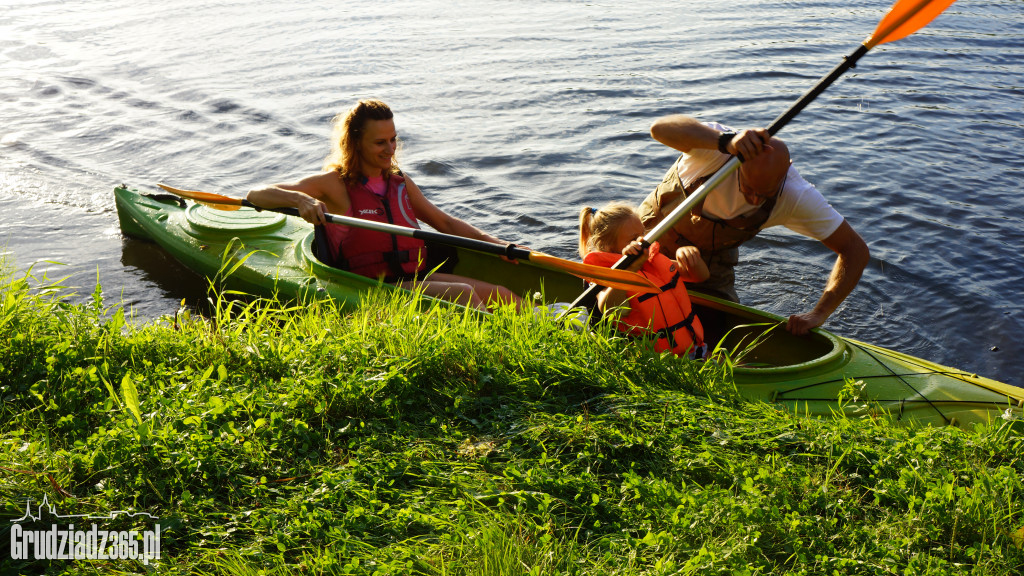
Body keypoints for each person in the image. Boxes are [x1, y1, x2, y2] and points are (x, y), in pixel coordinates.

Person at [247, 99, 521, 311]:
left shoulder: (399, 182)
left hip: (411, 278)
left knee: (502, 294)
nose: (391, 149)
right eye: (380, 142)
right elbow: (256, 193)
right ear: (355, 143)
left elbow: (445, 223)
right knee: (463, 294)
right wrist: (301, 199)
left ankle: (549, 322)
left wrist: (496, 244)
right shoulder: (334, 183)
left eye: (393, 139)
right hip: (369, 285)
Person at [638, 115, 870, 336]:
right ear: (739, 167)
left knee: (717, 332)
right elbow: (658, 129)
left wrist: (819, 313)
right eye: (748, 189)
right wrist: (725, 142)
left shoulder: (795, 194)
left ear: (786, 172)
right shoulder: (718, 147)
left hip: (707, 272)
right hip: (642, 242)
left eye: (765, 194)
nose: (755, 200)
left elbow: (855, 250)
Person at [579, 201, 711, 360]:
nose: (642, 242)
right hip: (654, 358)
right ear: (607, 247)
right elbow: (610, 308)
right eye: (634, 238)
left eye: (643, 235)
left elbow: (700, 276)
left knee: (732, 363)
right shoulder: (604, 273)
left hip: (692, 347)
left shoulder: (652, 261)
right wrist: (631, 269)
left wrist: (692, 257)